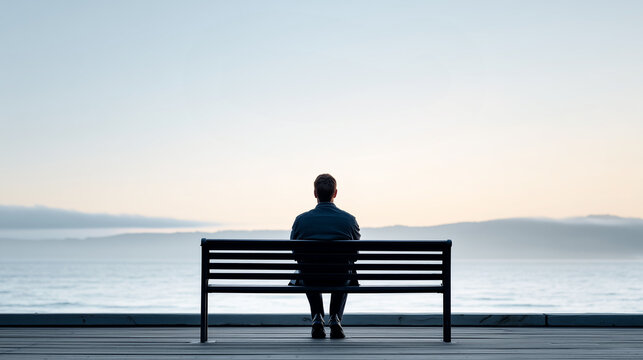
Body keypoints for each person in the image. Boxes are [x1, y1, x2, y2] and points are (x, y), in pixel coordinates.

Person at [290, 173, 360, 339]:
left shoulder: (301, 220)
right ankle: (335, 318)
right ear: (335, 193)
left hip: (311, 276)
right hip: (340, 277)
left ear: (315, 193)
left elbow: (295, 254)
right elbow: (355, 255)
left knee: (304, 267)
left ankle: (317, 318)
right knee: (347, 268)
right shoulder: (349, 220)